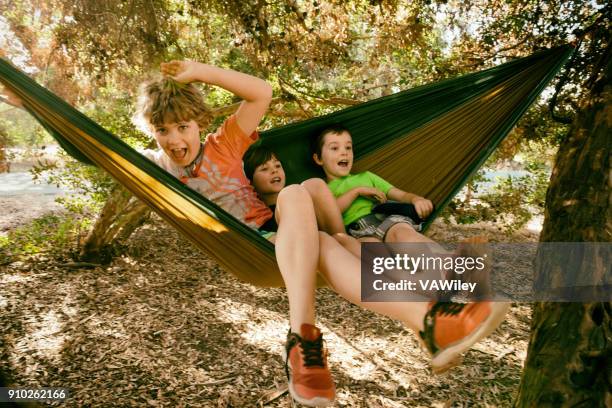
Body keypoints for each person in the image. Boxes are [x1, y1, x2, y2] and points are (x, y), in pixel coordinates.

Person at [2, 71, 509, 406]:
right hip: (251, 246)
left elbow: (260, 92)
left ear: (199, 122)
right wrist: (27, 98)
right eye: (163, 132)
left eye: (183, 126)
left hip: (287, 238)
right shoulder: (157, 169)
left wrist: (198, 70)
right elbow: (90, 145)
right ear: (152, 134)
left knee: (311, 220)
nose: (176, 140)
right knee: (298, 200)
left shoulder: (226, 143)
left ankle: (421, 325)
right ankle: (309, 338)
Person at [312, 124, 491, 299]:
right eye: (334, 148)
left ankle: (456, 265)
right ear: (318, 159)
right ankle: (435, 287)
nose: (344, 152)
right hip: (357, 233)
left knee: (405, 236)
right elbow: (330, 212)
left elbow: (399, 194)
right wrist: (356, 192)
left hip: (385, 219)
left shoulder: (366, 177)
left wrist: (416, 199)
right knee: (377, 258)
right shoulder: (321, 190)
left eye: (348, 147)